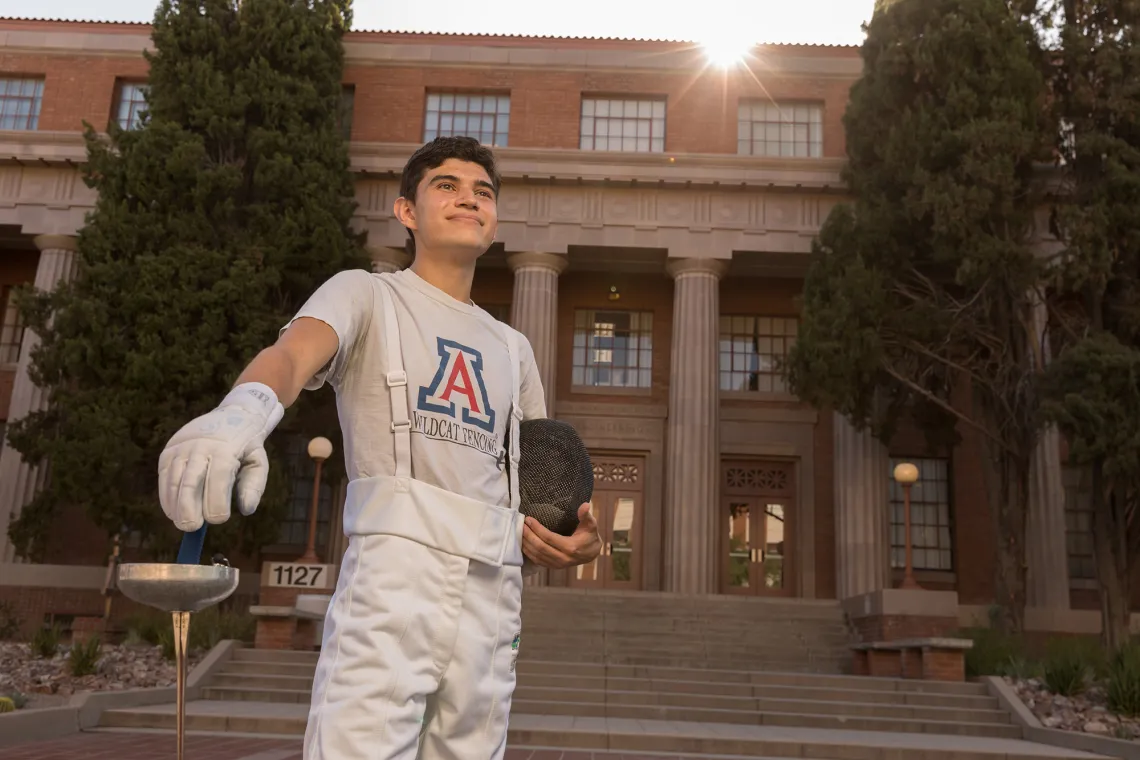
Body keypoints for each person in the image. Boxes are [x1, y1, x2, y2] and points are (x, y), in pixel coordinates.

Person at [157, 136, 603, 759]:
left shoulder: (513, 347)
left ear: (495, 218)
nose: (468, 199)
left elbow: (543, 475)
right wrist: (242, 411)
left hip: (494, 593)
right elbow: (292, 354)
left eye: (483, 191)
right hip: (395, 577)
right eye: (446, 185)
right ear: (406, 212)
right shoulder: (366, 294)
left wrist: (578, 536)